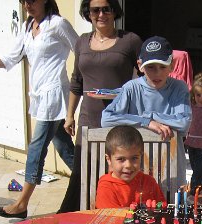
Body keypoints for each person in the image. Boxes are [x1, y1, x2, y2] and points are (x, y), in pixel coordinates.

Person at [0, 0, 78, 219]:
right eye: (23, 1)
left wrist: (78, 85)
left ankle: (22, 203)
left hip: (55, 94)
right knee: (64, 147)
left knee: (36, 148)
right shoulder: (27, 26)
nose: (27, 5)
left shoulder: (58, 24)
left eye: (32, 0)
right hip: (40, 96)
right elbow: (10, 58)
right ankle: (95, 183)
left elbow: (81, 51)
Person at [58, 0, 142, 213]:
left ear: (114, 11)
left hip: (119, 119)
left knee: (117, 170)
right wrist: (70, 115)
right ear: (88, 13)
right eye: (95, 10)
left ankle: (115, 215)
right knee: (83, 172)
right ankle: (81, 216)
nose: (101, 14)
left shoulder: (130, 41)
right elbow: (76, 82)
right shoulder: (82, 42)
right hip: (89, 118)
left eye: (106, 9)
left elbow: (146, 76)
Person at [101, 36, 192, 187]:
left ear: (172, 65)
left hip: (171, 168)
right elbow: (106, 118)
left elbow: (183, 123)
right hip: (137, 170)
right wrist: (146, 122)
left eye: (162, 66)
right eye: (151, 67)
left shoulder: (179, 87)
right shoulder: (131, 88)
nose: (157, 73)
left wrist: (150, 116)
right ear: (140, 65)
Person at [95, 126, 166, 208]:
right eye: (121, 159)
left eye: (134, 158)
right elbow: (109, 215)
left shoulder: (149, 182)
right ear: (109, 159)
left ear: (141, 156)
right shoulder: (107, 187)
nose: (128, 165)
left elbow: (163, 208)